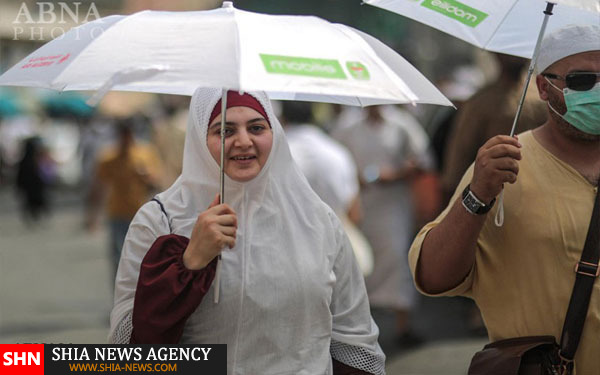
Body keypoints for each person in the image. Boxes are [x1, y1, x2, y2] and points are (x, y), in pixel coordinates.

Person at [109, 88, 385, 375]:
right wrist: (190, 262)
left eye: (256, 127)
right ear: (200, 141)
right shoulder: (161, 220)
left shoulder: (317, 220)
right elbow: (128, 352)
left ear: (275, 134)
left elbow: (353, 339)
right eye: (224, 130)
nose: (243, 141)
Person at [408, 24, 600, 372]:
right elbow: (433, 277)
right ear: (543, 85)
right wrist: (477, 193)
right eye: (582, 82)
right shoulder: (503, 159)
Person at [333, 105, 433, 345]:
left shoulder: (402, 124)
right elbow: (336, 159)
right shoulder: (347, 126)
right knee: (357, 263)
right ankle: (357, 328)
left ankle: (403, 325)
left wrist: (397, 173)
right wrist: (353, 178)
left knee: (397, 259)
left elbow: (422, 160)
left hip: (393, 206)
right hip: (360, 205)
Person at [281, 101, 373, 275]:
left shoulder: (277, 154)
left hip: (289, 255)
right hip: (335, 253)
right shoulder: (338, 153)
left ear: (282, 118)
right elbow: (355, 213)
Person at [441, 53, 547, 203]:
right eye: (510, 50)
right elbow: (459, 158)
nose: (516, 55)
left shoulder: (545, 95)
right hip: (498, 200)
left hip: (543, 192)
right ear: (497, 55)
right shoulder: (480, 104)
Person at [86, 119, 163, 276]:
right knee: (118, 256)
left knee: (144, 254)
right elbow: (99, 186)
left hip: (142, 212)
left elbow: (157, 182)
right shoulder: (109, 157)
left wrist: (146, 175)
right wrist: (93, 216)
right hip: (117, 212)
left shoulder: (145, 153)